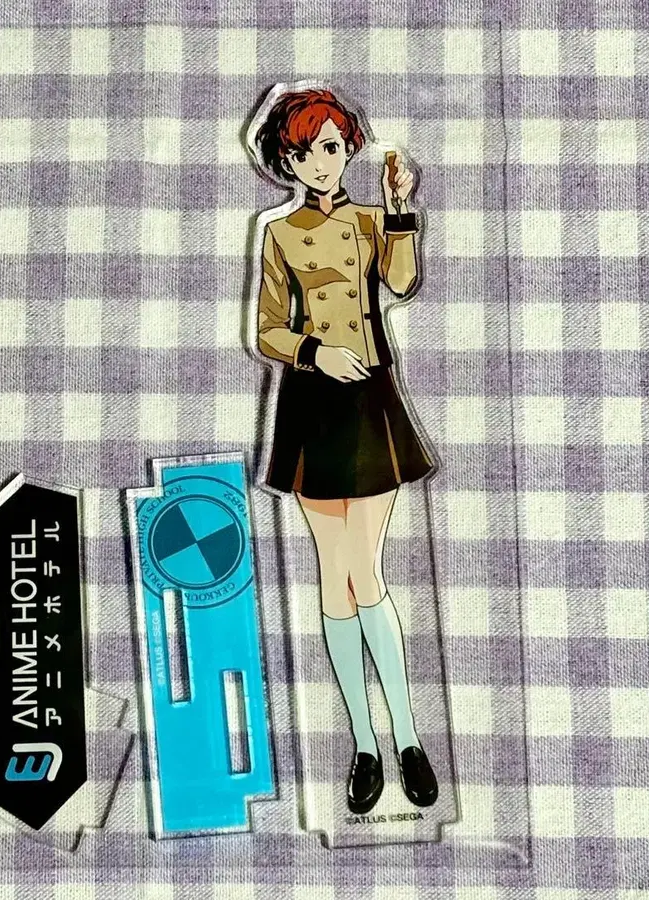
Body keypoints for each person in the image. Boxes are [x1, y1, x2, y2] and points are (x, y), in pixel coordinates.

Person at [250, 87, 438, 813]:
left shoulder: (367, 221)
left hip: (369, 400)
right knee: (337, 579)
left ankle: (409, 738)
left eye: (330, 147)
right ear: (287, 162)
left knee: (364, 570)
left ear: (348, 149)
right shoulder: (278, 232)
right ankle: (365, 744)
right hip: (311, 402)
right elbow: (267, 329)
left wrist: (399, 208)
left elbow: (403, 282)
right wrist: (313, 352)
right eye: (304, 152)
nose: (319, 162)